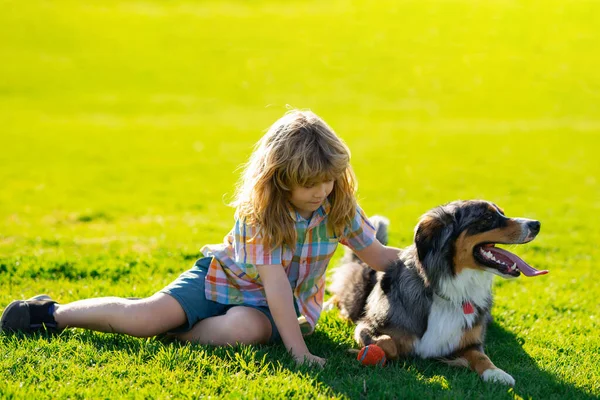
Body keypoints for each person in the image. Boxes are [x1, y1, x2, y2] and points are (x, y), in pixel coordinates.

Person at [0, 110, 401, 366]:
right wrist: (299, 354)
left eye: (328, 180)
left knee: (247, 331)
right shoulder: (260, 214)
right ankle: (51, 314)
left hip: (262, 311)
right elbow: (275, 281)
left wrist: (433, 262)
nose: (321, 191)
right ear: (279, 180)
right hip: (219, 280)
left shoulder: (337, 207)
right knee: (143, 318)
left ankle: (176, 332)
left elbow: (379, 255)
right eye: (309, 184)